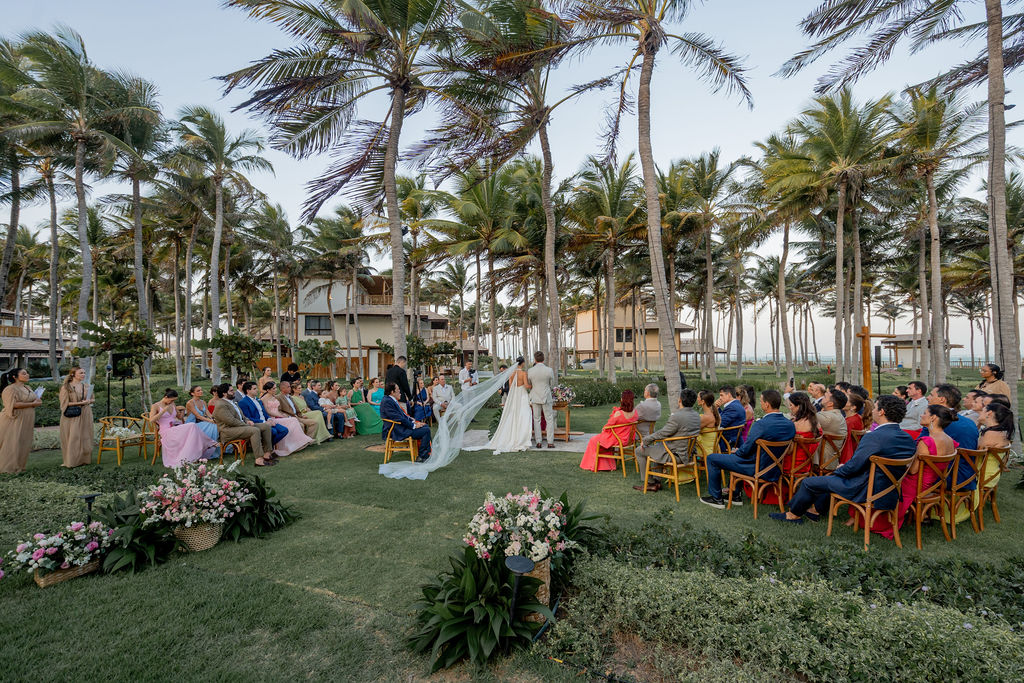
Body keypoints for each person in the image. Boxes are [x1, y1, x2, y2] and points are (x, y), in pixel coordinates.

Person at [770, 395, 916, 524]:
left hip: (864, 488)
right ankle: (814, 511)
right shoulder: (908, 439)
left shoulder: (874, 437)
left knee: (810, 482)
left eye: (875, 408)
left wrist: (840, 469)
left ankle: (792, 515)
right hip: (889, 490)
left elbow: (854, 466)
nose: (872, 410)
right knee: (829, 479)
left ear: (882, 412)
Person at [871, 404, 957, 539]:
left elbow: (913, 471)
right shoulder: (949, 440)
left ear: (933, 418)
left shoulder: (926, 441)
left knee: (882, 480)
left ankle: (873, 520)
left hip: (916, 484)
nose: (922, 415)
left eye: (924, 413)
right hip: (933, 483)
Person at [700, 390, 797, 509]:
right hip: (776, 468)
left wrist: (737, 452)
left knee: (712, 458)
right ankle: (735, 496)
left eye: (761, 401)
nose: (760, 404)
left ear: (767, 404)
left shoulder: (761, 424)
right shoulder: (790, 425)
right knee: (740, 456)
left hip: (757, 468)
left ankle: (716, 498)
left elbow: (745, 451)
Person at [634, 389, 701, 491]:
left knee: (638, 450)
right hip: (688, 453)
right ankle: (657, 482)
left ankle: (649, 482)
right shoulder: (696, 415)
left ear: (680, 400)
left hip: (675, 454)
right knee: (657, 448)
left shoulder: (677, 416)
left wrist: (646, 440)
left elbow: (663, 433)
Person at [759, 391, 817, 504]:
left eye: (791, 405)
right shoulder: (814, 421)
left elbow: (789, 450)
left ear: (799, 406)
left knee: (768, 458)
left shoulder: (795, 425)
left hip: (793, 464)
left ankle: (767, 493)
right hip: (807, 463)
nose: (790, 408)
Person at [149, 389, 219, 467]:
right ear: (166, 397)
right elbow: (151, 420)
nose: (172, 402)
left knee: (192, 429)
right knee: (192, 425)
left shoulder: (172, 404)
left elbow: (179, 417)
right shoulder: (155, 406)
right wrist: (163, 411)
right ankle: (208, 443)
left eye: (174, 401)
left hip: (176, 427)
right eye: (171, 400)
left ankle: (196, 453)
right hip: (166, 431)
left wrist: (182, 411)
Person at [211, 384, 275, 467]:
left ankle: (267, 454)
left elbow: (242, 416)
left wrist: (248, 421)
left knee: (265, 426)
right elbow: (231, 421)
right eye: (231, 391)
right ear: (224, 393)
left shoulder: (232, 402)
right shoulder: (221, 405)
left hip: (240, 427)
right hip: (228, 431)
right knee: (254, 430)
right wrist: (246, 425)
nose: (234, 392)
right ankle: (259, 459)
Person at [580, 390, 638, 471]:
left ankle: (594, 465)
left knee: (594, 440)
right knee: (601, 440)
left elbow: (607, 426)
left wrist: (604, 430)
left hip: (618, 439)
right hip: (628, 440)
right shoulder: (635, 413)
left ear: (622, 400)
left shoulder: (619, 413)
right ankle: (607, 465)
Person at [484, 357, 532, 454]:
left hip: (514, 396)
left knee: (514, 415)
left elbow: (510, 387)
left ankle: (512, 436)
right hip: (522, 395)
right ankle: (521, 438)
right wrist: (532, 385)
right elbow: (526, 386)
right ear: (522, 363)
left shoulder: (512, 373)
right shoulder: (523, 373)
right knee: (524, 415)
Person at [380, 381, 431, 462]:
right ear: (392, 392)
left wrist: (412, 421)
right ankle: (422, 456)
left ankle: (425, 454)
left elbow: (402, 415)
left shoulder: (390, 399)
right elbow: (398, 418)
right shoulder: (387, 401)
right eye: (398, 390)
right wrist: (413, 425)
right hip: (396, 430)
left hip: (400, 426)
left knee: (425, 426)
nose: (400, 391)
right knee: (425, 430)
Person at [262, 382, 314, 455]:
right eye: (273, 389)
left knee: (293, 420)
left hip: (279, 416)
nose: (275, 390)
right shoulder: (264, 398)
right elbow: (268, 412)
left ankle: (297, 443)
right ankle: (295, 443)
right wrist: (281, 415)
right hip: (273, 418)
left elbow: (278, 409)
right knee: (293, 420)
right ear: (268, 390)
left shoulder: (274, 396)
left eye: (275, 388)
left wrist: (282, 414)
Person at [59, 366, 95, 468]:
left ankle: (84, 460)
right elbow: (64, 403)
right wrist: (80, 403)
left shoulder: (86, 386)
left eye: (84, 373)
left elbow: (93, 399)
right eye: (81, 373)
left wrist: (88, 401)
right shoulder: (66, 387)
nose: (83, 375)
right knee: (74, 437)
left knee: (85, 435)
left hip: (86, 413)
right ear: (73, 374)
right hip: (73, 414)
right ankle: (71, 461)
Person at [976, 401, 1014, 495]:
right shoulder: (1001, 431)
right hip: (992, 474)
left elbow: (975, 453)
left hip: (982, 475)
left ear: (989, 413)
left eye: (982, 410)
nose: (979, 413)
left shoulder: (990, 434)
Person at [238, 381, 289, 448]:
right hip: (257, 424)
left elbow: (264, 413)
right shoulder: (243, 402)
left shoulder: (258, 400)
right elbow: (248, 418)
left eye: (256, 388)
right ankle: (268, 449)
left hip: (267, 421)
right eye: (254, 389)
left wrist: (269, 419)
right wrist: (264, 422)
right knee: (274, 432)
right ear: (248, 391)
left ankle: (267, 447)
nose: (257, 390)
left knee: (284, 430)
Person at [528, 351, 556, 448]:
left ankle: (538, 442)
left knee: (536, 420)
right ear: (543, 359)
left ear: (535, 359)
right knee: (549, 419)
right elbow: (552, 384)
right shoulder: (549, 370)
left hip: (535, 396)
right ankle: (550, 442)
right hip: (546, 397)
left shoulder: (530, 371)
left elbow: (530, 384)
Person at [840, 393, 865, 464]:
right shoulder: (857, 418)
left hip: (848, 456)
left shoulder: (850, 422)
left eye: (846, 401)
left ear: (853, 407)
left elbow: (847, 443)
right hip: (854, 453)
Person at [696, 390, 721, 458]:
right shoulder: (714, 414)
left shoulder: (706, 417)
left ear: (703, 401)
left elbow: (691, 430)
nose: (697, 399)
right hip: (712, 447)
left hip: (704, 450)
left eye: (698, 397)